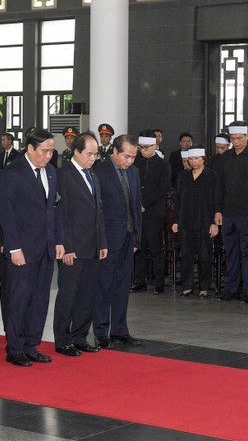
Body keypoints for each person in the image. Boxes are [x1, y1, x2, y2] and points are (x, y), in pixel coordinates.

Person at [0, 128, 64, 367]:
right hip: (22, 249)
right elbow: (6, 214)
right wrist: (13, 248)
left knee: (40, 299)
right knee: (19, 299)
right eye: (44, 151)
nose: (48, 156)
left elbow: (54, 210)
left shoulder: (52, 173)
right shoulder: (11, 174)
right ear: (30, 148)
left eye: (51, 151)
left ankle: (31, 344)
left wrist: (58, 240)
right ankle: (15, 348)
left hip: (45, 247)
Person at [53, 132, 107, 357]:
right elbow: (60, 213)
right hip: (73, 248)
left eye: (95, 154)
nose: (93, 158)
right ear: (76, 151)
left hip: (93, 246)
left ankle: (80, 336)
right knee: (69, 294)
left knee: (87, 294)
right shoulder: (63, 175)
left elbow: (99, 211)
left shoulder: (93, 175)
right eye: (89, 154)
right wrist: (67, 246)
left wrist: (102, 242)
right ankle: (63, 339)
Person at [92, 134, 142, 348]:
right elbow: (97, 211)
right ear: (114, 151)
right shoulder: (99, 172)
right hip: (108, 239)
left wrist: (137, 237)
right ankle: (101, 330)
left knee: (122, 286)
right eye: (126, 156)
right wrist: (100, 241)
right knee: (103, 285)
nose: (129, 161)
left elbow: (135, 205)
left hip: (128, 237)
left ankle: (120, 329)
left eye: (133, 157)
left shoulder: (134, 172)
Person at [214, 121, 248, 303]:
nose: (236, 142)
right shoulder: (225, 158)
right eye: (233, 138)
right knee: (231, 252)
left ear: (247, 136)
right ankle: (231, 289)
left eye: (239, 138)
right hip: (227, 214)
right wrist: (217, 211)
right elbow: (219, 187)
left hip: (247, 214)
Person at [171, 146, 219, 298]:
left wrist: (214, 222)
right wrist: (176, 220)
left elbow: (216, 199)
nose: (193, 161)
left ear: (203, 159)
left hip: (205, 221)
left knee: (205, 256)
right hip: (186, 221)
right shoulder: (183, 176)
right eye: (190, 159)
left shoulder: (211, 176)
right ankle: (187, 285)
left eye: (196, 158)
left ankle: (204, 286)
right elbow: (177, 199)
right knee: (186, 255)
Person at [132, 131, 171, 294]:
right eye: (140, 148)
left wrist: (145, 203)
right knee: (139, 248)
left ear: (154, 146)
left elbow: (163, 188)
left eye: (146, 147)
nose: (143, 150)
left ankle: (159, 282)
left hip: (154, 212)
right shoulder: (137, 164)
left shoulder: (163, 165)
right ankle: (140, 281)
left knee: (156, 249)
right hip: (139, 212)